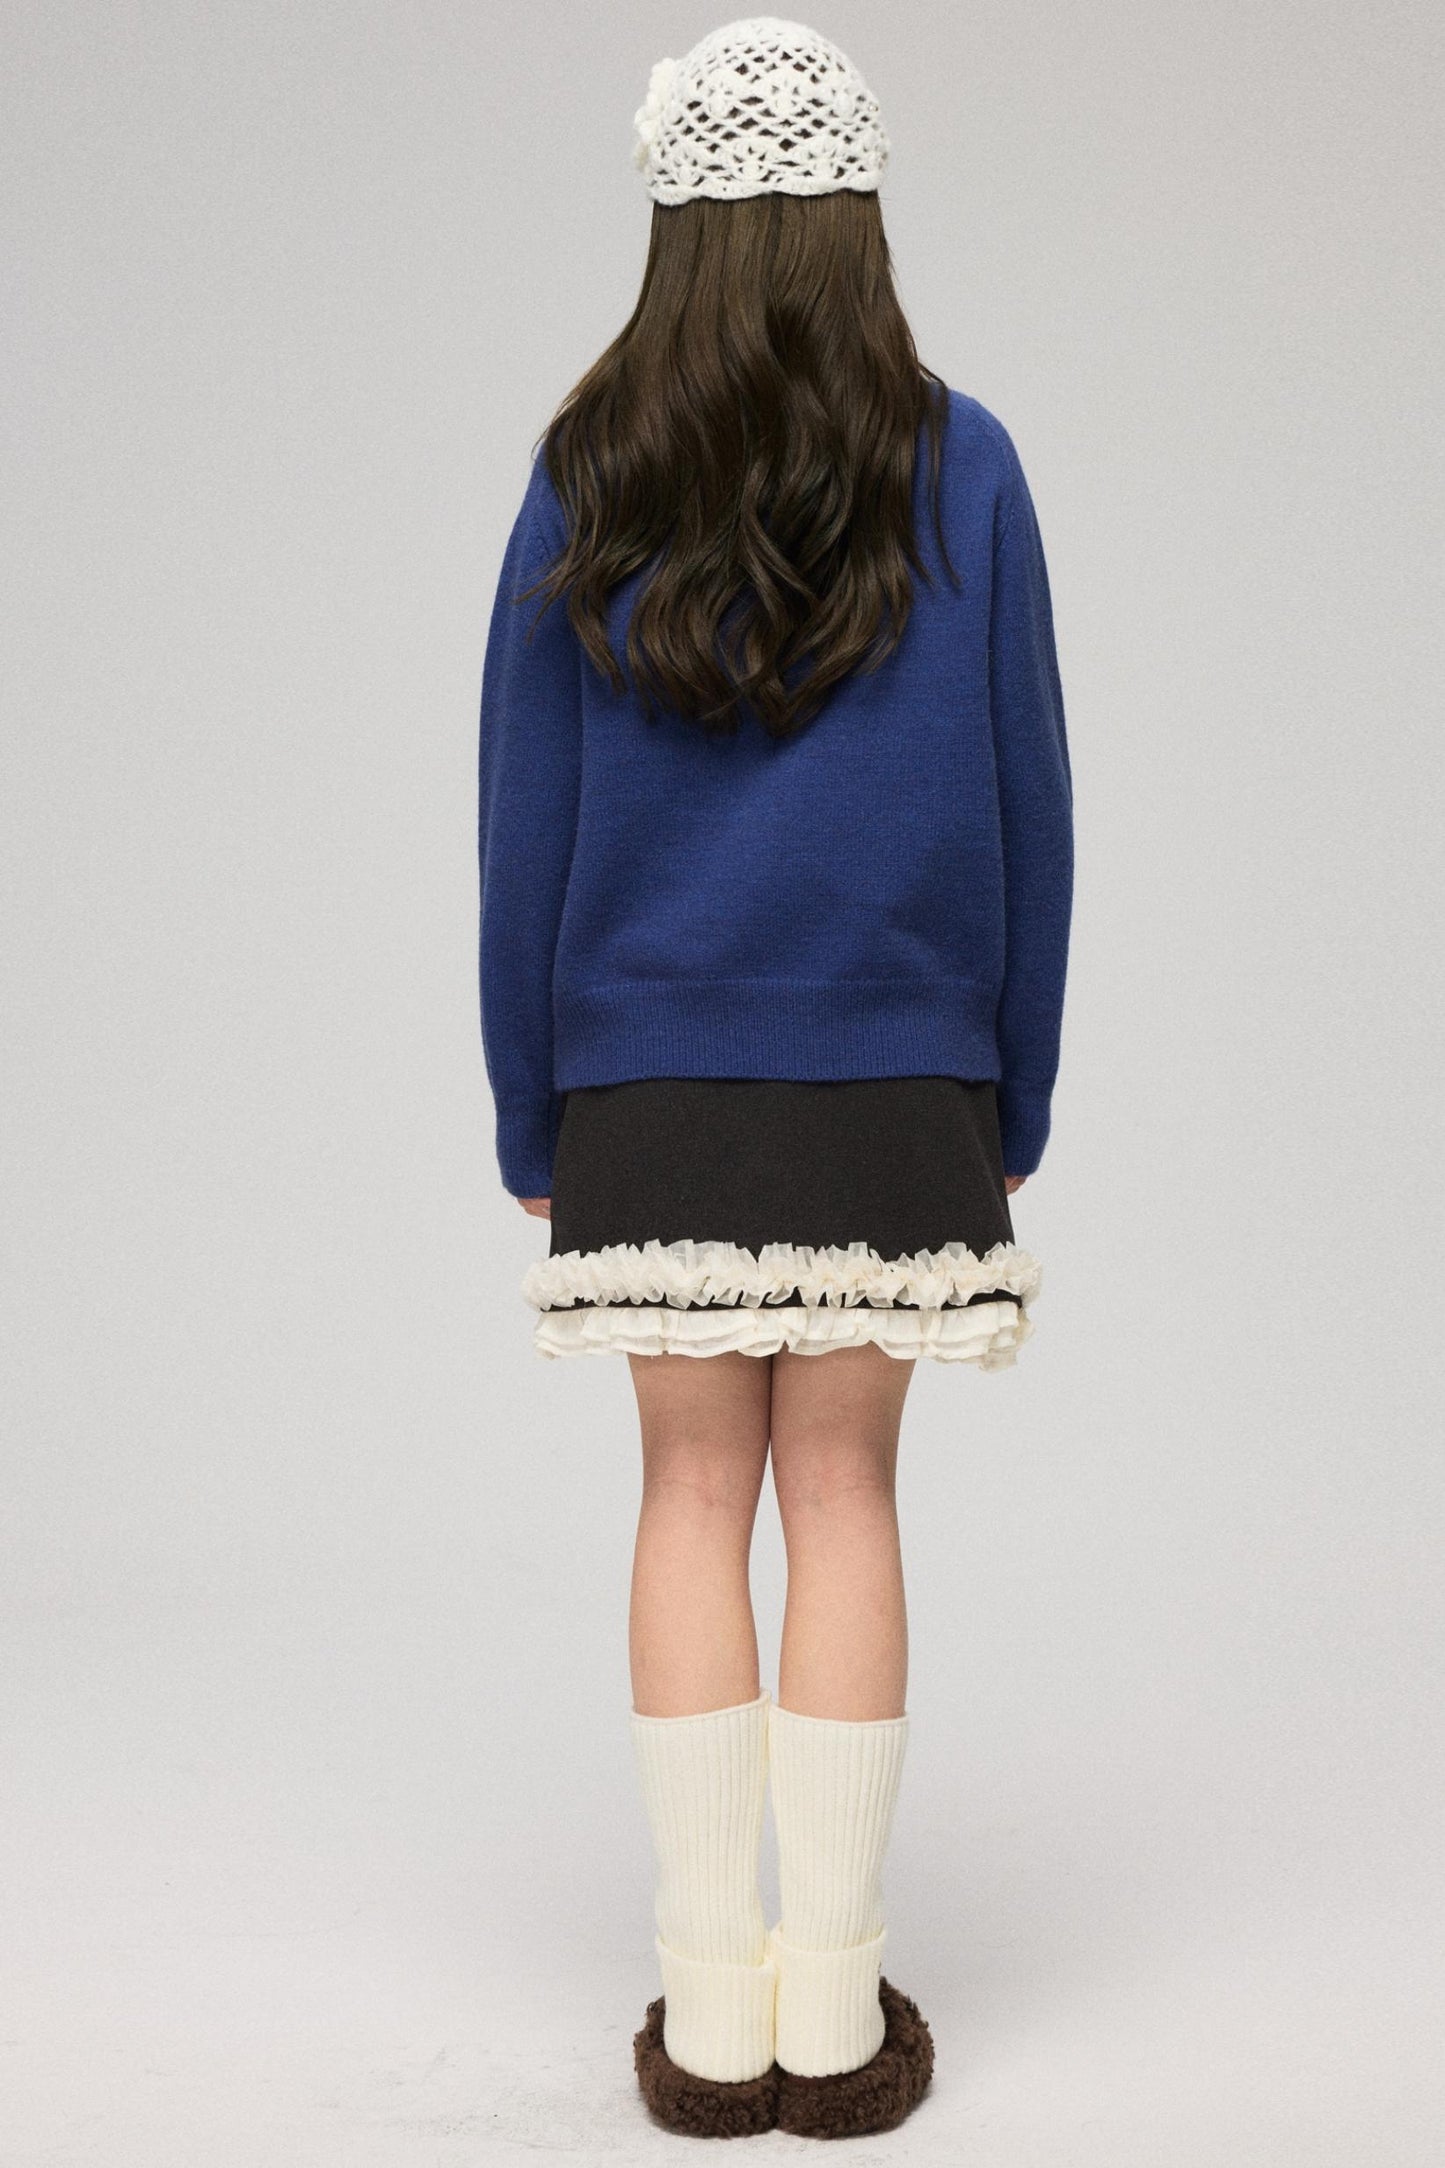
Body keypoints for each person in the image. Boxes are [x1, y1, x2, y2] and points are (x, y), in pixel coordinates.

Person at [476, 16, 1073, 2140]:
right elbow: (1030, 800)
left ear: (673, 213)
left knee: (685, 1496)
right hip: (898, 1071)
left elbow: (521, 817)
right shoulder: (965, 462)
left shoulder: (589, 466)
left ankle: (704, 2015)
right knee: (845, 1496)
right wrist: (1010, 1096)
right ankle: (835, 2014)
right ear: (858, 214)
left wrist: (530, 1106)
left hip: (647, 1075)